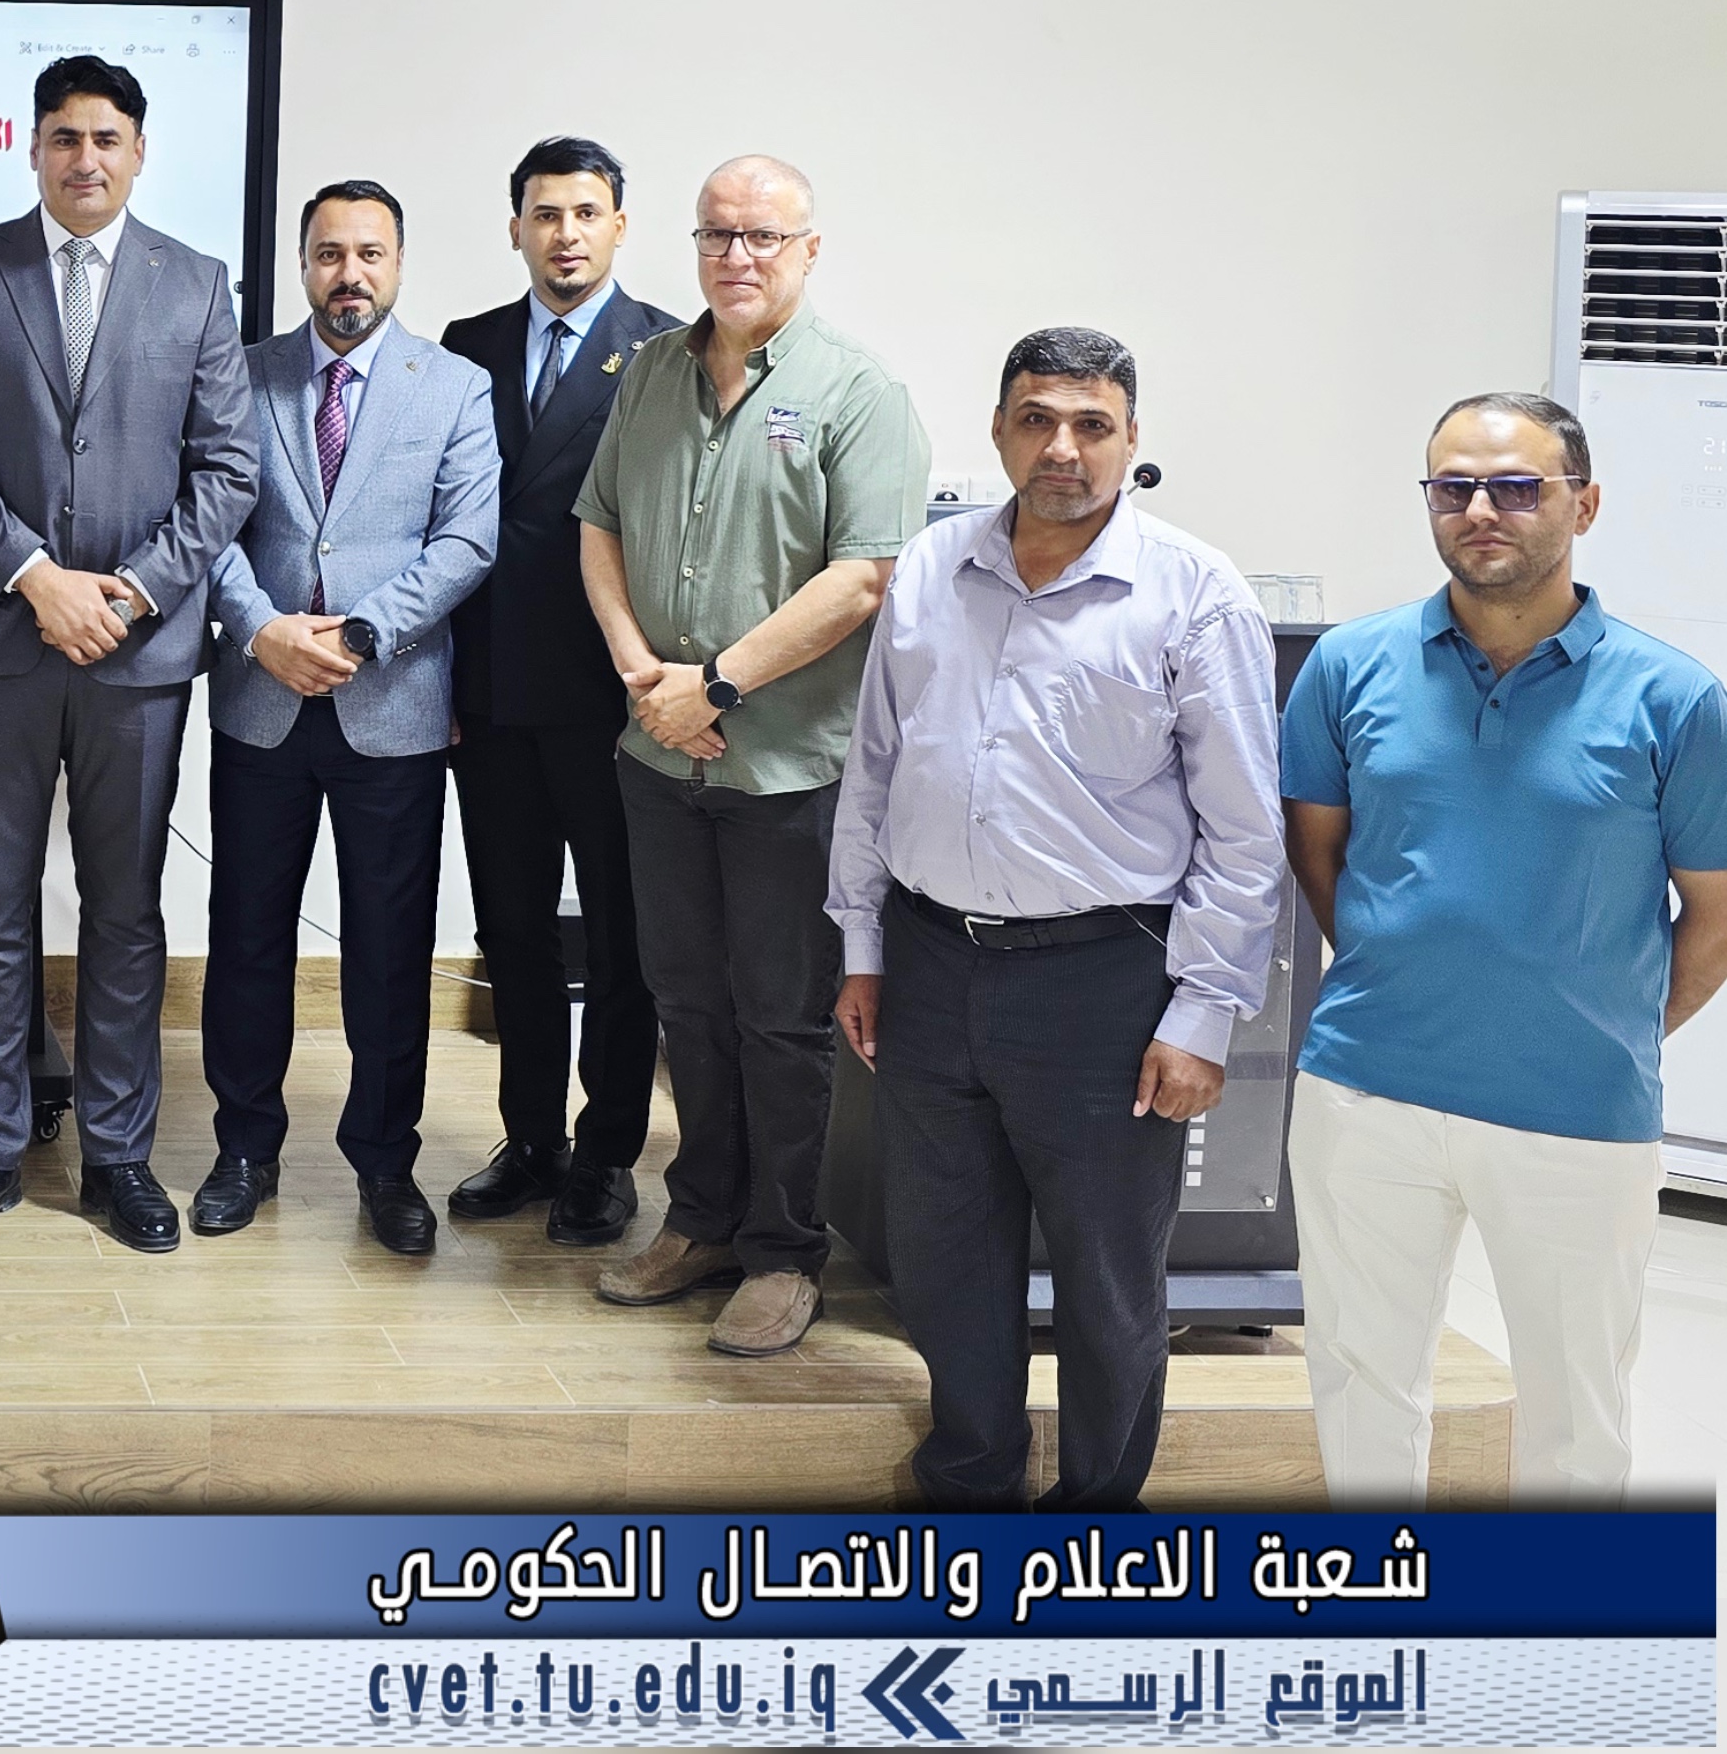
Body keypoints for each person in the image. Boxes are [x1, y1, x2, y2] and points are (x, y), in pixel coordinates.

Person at [829, 328, 1283, 1510]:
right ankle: (970, 1484)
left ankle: (1095, 1515)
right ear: (998, 430)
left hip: (1105, 982)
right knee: (945, 1255)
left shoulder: (1195, 592)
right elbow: (875, 768)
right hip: (931, 962)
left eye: (1092, 424)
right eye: (1036, 419)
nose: (1063, 447)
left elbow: (1244, 833)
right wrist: (865, 944)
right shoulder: (932, 566)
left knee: (1105, 1273)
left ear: (1133, 441)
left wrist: (1203, 1014)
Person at [1280, 391, 1727, 1501]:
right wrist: (1399, 972)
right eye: (1454, 487)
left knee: (1575, 1417)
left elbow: (1715, 916)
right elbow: (1320, 857)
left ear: (1585, 503)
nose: (1481, 509)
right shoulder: (1347, 665)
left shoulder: (1678, 699)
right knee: (1361, 1383)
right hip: (1366, 1092)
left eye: (1517, 486)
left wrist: (1609, 1025)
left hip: (1578, 1110)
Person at [574, 154, 925, 1357]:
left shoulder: (859, 393)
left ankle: (784, 1250)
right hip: (659, 757)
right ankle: (703, 1219)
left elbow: (864, 576)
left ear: (809, 249)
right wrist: (645, 676)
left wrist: (715, 683)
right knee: (687, 1001)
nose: (738, 255)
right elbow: (598, 525)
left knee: (781, 1018)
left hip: (789, 773)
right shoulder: (650, 374)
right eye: (718, 233)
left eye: (763, 236)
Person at [0, 54, 255, 1253]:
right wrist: (36, 576)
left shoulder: (196, 283)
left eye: (107, 137)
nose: (86, 157)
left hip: (136, 653)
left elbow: (228, 468)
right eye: (65, 136)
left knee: (126, 909)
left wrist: (138, 588)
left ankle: (118, 1155)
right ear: (35, 148)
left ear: (139, 151)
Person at [196, 181, 497, 1253]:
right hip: (261, 699)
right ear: (302, 264)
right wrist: (261, 629)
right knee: (245, 939)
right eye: (329, 253)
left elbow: (466, 540)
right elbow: (208, 519)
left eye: (370, 252)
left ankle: (385, 1162)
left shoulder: (454, 385)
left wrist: (363, 633)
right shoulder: (242, 372)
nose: (349, 273)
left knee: (387, 949)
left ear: (399, 263)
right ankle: (244, 1149)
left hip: (394, 707)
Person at [442, 136, 681, 1248]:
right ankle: (531, 1140)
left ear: (619, 226)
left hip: (610, 694)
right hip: (491, 690)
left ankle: (607, 1154)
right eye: (546, 214)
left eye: (588, 213)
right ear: (517, 228)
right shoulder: (469, 344)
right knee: (513, 928)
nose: (567, 233)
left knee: (623, 939)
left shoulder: (668, 350)